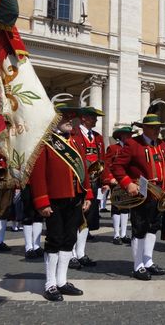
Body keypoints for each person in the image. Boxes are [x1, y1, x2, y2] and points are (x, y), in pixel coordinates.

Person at [30, 103, 93, 301]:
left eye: (70, 118)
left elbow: (83, 170)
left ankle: (62, 281)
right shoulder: (45, 143)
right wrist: (42, 201)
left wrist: (87, 194)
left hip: (75, 198)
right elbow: (38, 174)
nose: (69, 121)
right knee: (54, 240)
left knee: (69, 239)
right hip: (54, 199)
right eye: (65, 118)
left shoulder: (75, 142)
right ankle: (50, 284)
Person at [111, 113, 165, 280]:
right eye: (153, 127)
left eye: (158, 127)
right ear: (144, 128)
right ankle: (138, 266)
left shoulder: (162, 144)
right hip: (142, 193)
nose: (156, 130)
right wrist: (128, 183)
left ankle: (148, 261)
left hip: (159, 194)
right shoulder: (133, 144)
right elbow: (117, 166)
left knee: (153, 227)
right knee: (140, 228)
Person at [69, 106, 105, 269]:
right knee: (74, 217)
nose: (96, 120)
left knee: (87, 218)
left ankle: (81, 253)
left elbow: (103, 160)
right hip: (76, 181)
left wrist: (105, 180)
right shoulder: (73, 134)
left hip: (93, 182)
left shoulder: (98, 137)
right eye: (92, 117)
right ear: (83, 118)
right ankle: (70, 254)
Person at [104, 125, 133, 245]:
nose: (129, 137)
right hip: (116, 181)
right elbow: (107, 165)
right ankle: (116, 235)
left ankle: (124, 234)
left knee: (126, 207)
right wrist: (110, 179)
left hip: (128, 181)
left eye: (130, 135)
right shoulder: (112, 148)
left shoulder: (131, 148)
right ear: (121, 136)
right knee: (116, 207)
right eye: (127, 135)